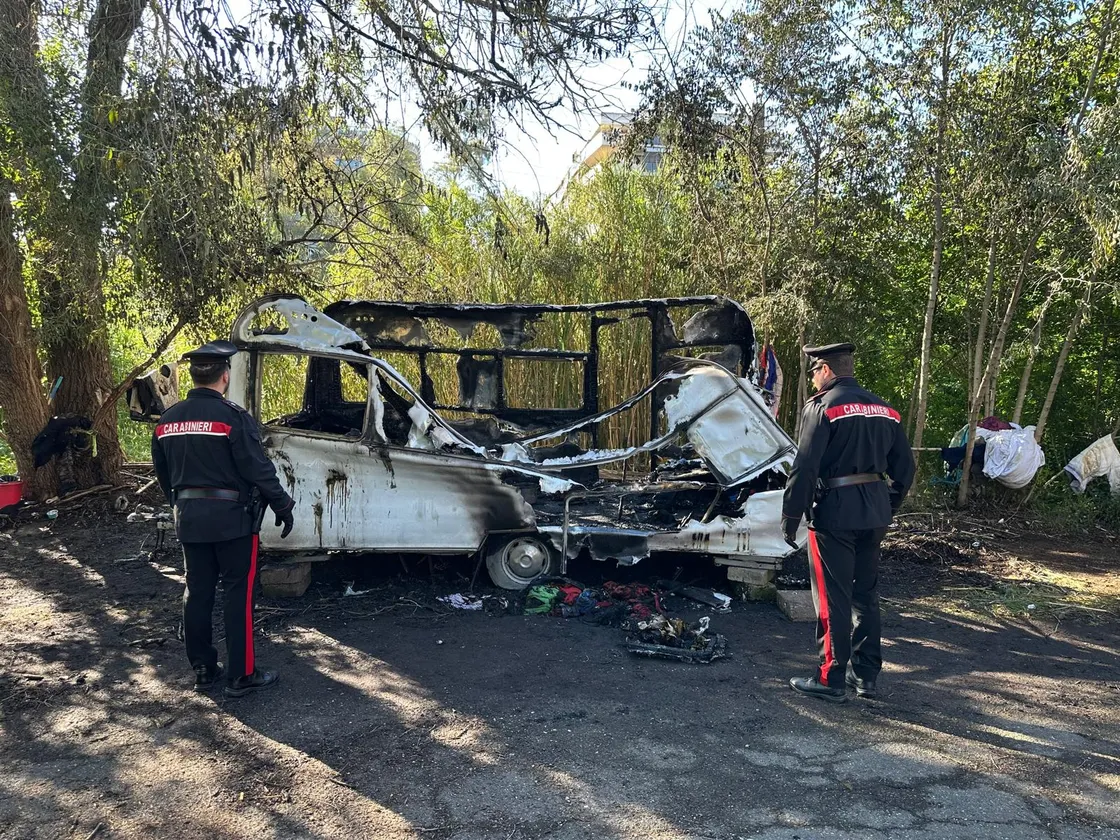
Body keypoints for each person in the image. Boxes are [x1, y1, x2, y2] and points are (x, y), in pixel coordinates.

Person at [152, 340, 296, 699]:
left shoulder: (166, 423)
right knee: (237, 593)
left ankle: (203, 670)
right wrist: (283, 505)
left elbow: (164, 476)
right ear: (224, 377)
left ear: (193, 376)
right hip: (233, 522)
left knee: (196, 592)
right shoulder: (233, 419)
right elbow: (258, 470)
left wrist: (182, 505)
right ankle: (241, 675)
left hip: (189, 519)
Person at [782, 343, 915, 703]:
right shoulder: (886, 410)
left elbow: (806, 467)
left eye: (813, 372)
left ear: (825, 369)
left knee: (832, 599)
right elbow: (905, 469)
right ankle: (867, 676)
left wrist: (791, 515)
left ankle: (830, 678)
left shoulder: (823, 407)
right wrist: (887, 504)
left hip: (835, 512)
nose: (812, 379)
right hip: (875, 513)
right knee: (866, 595)